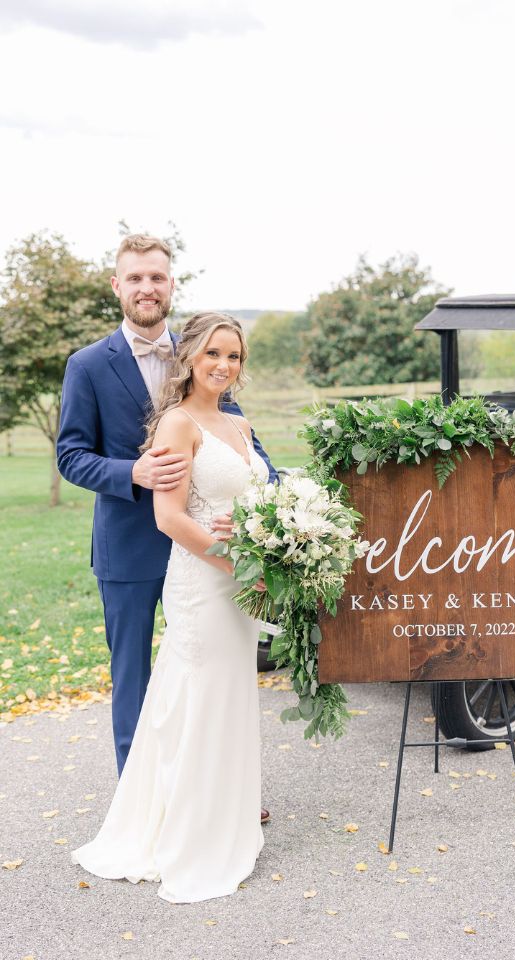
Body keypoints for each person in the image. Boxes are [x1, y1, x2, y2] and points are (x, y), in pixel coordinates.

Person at [56, 235, 276, 827]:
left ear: (170, 285)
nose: (147, 288)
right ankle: (140, 806)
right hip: (129, 545)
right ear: (118, 287)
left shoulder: (205, 350)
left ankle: (217, 789)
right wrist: (135, 471)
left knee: (208, 672)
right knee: (135, 676)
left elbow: (245, 448)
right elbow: (70, 455)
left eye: (157, 277)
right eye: (135, 279)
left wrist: (272, 510)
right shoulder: (87, 365)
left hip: (207, 552)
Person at [72, 312, 269, 902]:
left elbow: (262, 492)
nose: (223, 366)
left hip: (240, 584)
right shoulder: (177, 426)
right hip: (205, 582)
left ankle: (227, 815)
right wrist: (239, 565)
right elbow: (169, 517)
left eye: (233, 356)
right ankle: (185, 830)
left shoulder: (238, 423)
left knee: (230, 695)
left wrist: (275, 539)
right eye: (213, 353)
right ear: (189, 359)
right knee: (193, 698)